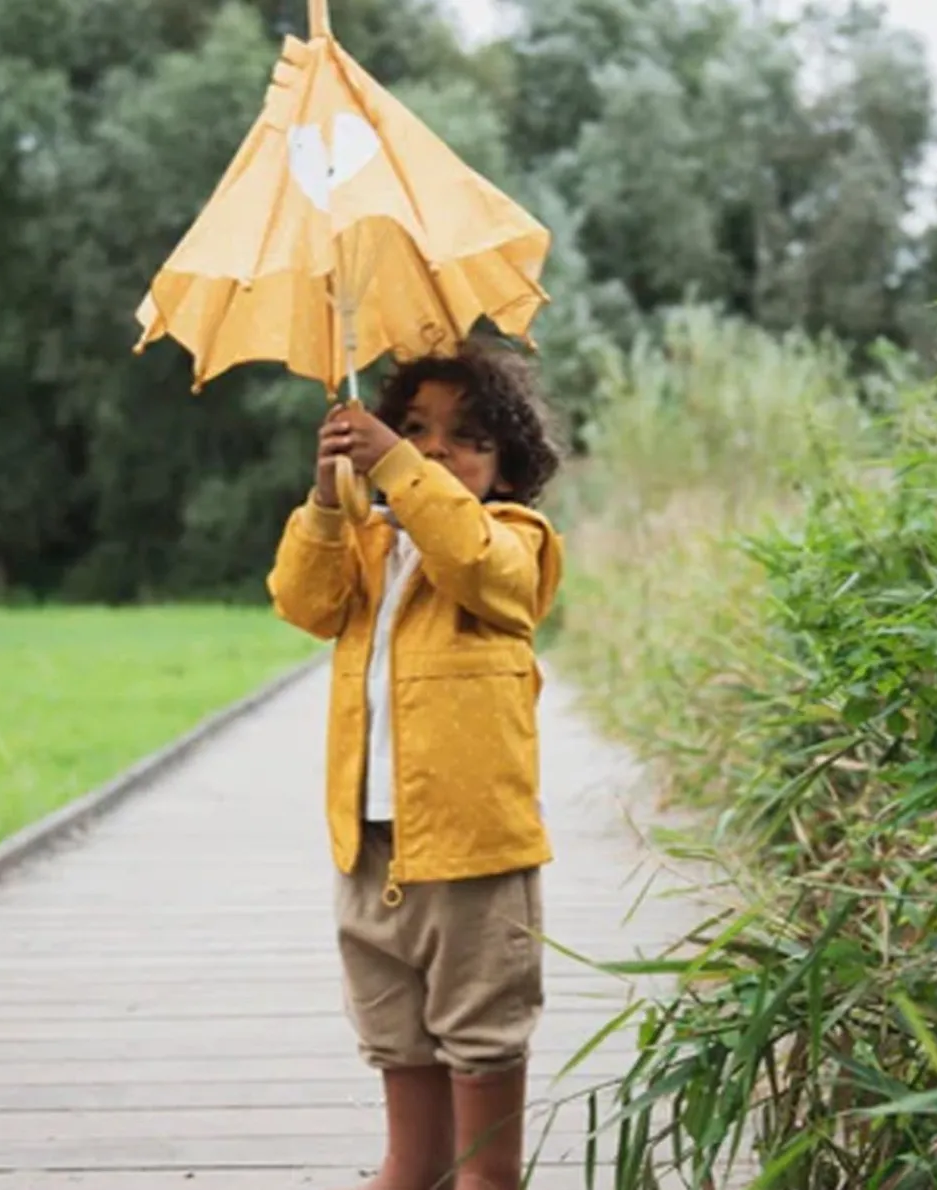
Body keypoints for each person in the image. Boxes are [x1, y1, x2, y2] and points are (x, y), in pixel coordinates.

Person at [266, 336, 564, 1190]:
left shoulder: (516, 540)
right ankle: (412, 1168)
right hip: (371, 848)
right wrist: (329, 499)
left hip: (474, 854)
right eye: (416, 428)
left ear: (508, 465)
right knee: (395, 1035)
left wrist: (396, 463)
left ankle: (483, 1177)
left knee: (481, 1033)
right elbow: (301, 601)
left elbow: (475, 563)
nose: (435, 448)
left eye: (467, 435)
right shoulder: (367, 545)